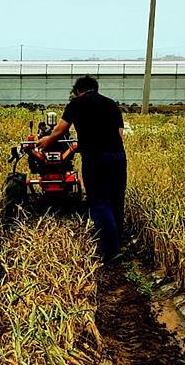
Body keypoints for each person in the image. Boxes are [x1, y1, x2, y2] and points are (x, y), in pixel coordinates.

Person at [37, 75, 126, 261]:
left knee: (99, 201)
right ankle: (119, 242)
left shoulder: (76, 103)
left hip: (96, 158)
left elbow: (61, 129)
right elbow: (120, 133)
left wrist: (47, 140)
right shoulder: (111, 104)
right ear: (96, 88)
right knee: (116, 200)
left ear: (78, 91)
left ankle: (110, 250)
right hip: (118, 157)